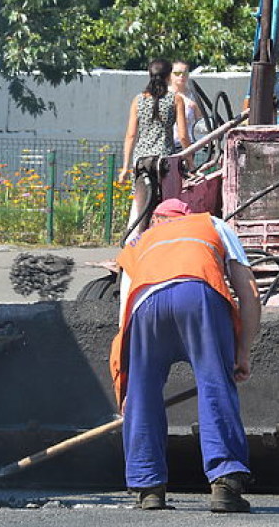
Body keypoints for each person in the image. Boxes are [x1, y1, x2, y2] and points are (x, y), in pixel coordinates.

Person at [110, 198, 261, 513]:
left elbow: (124, 317)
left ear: (157, 220)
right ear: (186, 215)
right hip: (198, 295)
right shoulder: (211, 224)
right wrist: (242, 352)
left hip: (145, 306)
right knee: (215, 385)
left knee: (144, 392)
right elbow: (250, 292)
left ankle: (148, 488)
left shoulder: (138, 243)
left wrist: (125, 385)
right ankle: (225, 485)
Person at [118, 60, 191, 237]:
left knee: (140, 204)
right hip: (164, 159)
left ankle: (133, 243)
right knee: (166, 204)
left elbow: (130, 135)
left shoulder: (138, 100)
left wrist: (126, 167)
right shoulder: (176, 99)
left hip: (141, 160)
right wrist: (190, 161)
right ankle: (161, 241)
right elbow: (182, 135)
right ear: (168, 77)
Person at [169, 61, 201, 150]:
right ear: (170, 75)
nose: (181, 76)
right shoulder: (165, 95)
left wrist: (195, 107)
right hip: (170, 145)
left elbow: (200, 122)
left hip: (190, 144)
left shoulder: (193, 95)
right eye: (177, 73)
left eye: (184, 73)